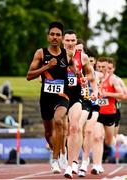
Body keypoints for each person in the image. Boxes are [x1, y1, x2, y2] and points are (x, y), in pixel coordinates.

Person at [26, 21, 69, 173]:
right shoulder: (41, 53)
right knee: (49, 133)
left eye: (58, 35)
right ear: (48, 37)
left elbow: (77, 71)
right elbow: (29, 76)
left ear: (62, 38)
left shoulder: (66, 54)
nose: (55, 37)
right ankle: (60, 151)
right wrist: (46, 67)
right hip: (46, 98)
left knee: (59, 121)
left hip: (62, 96)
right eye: (52, 34)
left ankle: (56, 160)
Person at [63, 33, 98, 178]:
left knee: (77, 127)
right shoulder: (56, 55)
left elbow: (92, 77)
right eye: (68, 40)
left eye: (73, 41)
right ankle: (61, 156)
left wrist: (83, 79)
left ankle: (75, 162)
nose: (71, 44)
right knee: (63, 129)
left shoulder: (82, 58)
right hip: (60, 95)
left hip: (82, 98)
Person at [91, 57, 123, 174]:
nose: (100, 69)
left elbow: (121, 96)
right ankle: (97, 165)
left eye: (103, 67)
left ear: (107, 68)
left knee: (109, 142)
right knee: (97, 137)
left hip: (110, 114)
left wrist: (107, 94)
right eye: (98, 67)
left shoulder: (113, 80)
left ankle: (120, 138)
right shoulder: (92, 78)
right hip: (97, 112)